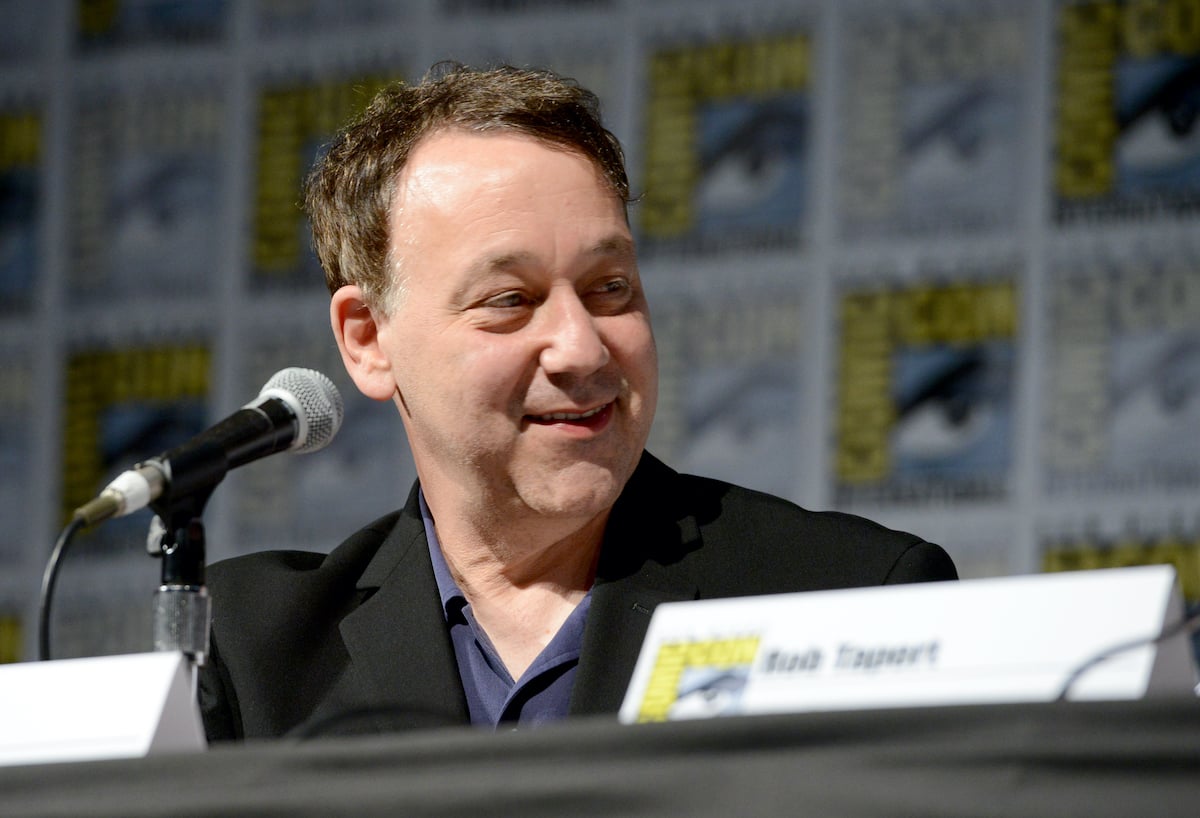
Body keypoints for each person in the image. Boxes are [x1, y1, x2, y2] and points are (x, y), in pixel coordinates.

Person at [198, 63, 957, 741]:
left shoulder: (850, 596)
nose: (583, 348)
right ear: (368, 339)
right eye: (510, 299)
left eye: (609, 288)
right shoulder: (250, 649)